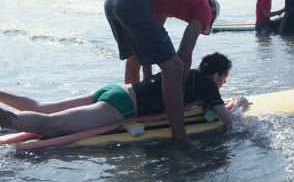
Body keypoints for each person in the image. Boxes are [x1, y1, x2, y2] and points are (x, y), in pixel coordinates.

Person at [0, 53, 248, 138]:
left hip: (117, 90)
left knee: (43, 107)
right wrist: (238, 105)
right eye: (225, 79)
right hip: (122, 106)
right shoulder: (207, 85)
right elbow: (228, 123)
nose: (223, 84)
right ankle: (9, 121)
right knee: (53, 126)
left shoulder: (186, 72)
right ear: (216, 75)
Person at [104, 0, 220, 140]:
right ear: (212, 11)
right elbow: (184, 54)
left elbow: (148, 48)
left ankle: (132, 104)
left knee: (134, 59)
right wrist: (180, 97)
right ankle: (180, 138)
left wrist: (148, 82)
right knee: (175, 68)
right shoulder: (204, 8)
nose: (204, 22)